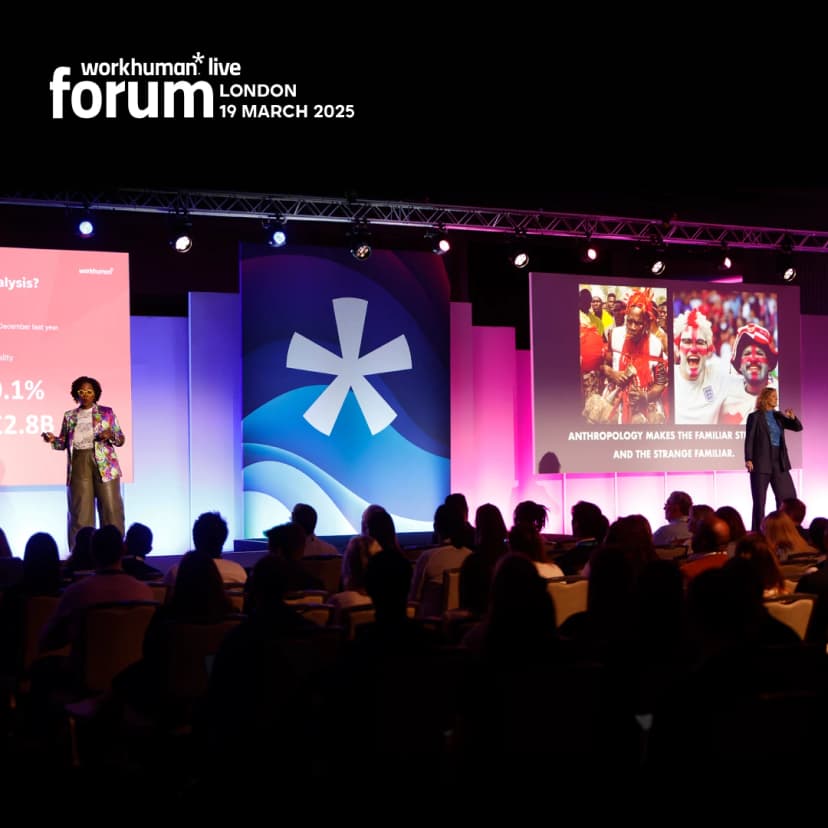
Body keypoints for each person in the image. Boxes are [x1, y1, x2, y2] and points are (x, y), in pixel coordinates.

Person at [42, 376, 125, 550]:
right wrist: (52, 440)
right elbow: (63, 443)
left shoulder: (107, 412)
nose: (85, 395)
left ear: (95, 394)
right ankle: (80, 556)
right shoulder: (70, 416)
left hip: (105, 464)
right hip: (79, 462)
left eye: (89, 391)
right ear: (76, 394)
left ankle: (115, 553)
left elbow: (120, 439)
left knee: (111, 510)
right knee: (80, 512)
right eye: (81, 392)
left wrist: (111, 435)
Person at [595, 287, 668, 424]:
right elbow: (603, 366)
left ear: (646, 323)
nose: (632, 327)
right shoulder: (615, 335)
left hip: (644, 409)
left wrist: (645, 396)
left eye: (638, 323)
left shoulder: (656, 344)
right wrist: (612, 373)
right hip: (615, 404)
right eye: (630, 321)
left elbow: (660, 383)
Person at [744, 387, 803, 531]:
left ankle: (785, 530)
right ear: (765, 398)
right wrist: (749, 458)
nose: (776, 399)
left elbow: (797, 428)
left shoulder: (778, 416)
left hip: (779, 462)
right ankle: (757, 532)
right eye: (773, 396)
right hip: (760, 462)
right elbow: (749, 438)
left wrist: (792, 417)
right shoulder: (755, 417)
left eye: (776, 396)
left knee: (787, 498)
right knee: (759, 502)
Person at [672, 309, 731, 424]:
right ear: (678, 349)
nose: (693, 349)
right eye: (687, 341)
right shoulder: (667, 379)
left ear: (708, 350)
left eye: (700, 342)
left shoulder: (718, 377)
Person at [720, 322, 778, 425]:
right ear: (739, 366)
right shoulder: (726, 399)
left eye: (760, 353)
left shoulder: (782, 397)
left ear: (769, 364)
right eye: (747, 354)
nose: (753, 358)